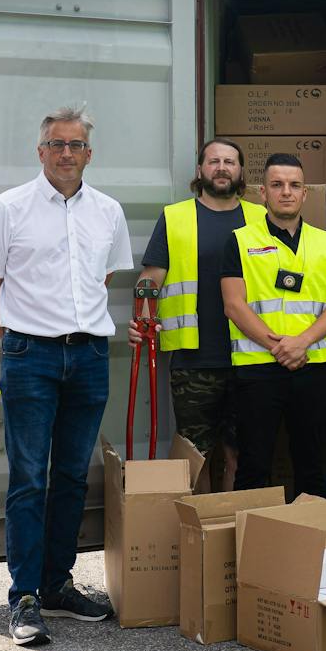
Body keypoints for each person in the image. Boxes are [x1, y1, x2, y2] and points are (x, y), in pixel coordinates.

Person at [0, 106, 134, 646]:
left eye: (75, 145)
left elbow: (102, 276)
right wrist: (18, 339)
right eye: (56, 144)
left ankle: (57, 585)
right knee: (28, 478)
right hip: (30, 358)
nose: (66, 153)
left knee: (70, 476)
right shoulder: (8, 209)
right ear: (40, 152)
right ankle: (23, 597)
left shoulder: (108, 212)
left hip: (87, 356)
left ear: (89, 153)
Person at [134, 139, 261, 491]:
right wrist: (141, 322)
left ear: (240, 171)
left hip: (251, 355)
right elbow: (151, 279)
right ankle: (201, 532)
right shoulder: (175, 217)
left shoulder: (260, 218)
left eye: (230, 162)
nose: (222, 167)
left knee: (242, 453)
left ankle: (234, 529)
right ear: (200, 170)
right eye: (214, 161)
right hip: (194, 359)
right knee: (196, 455)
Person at [220, 153, 326, 499]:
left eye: (294, 185)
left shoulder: (325, 242)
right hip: (258, 369)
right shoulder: (240, 240)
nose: (286, 192)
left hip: (313, 368)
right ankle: (251, 552)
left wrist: (301, 343)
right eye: (277, 185)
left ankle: (310, 548)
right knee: (254, 465)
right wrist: (281, 347)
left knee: (312, 465)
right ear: (263, 193)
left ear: (306, 193)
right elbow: (234, 304)